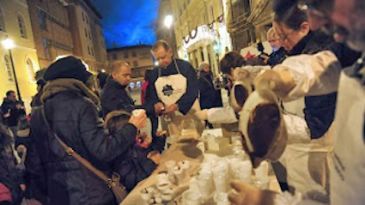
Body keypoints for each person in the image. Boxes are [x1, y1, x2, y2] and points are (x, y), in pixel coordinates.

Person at [228, 0, 365, 204]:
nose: (315, 23)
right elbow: (329, 62)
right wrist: (284, 76)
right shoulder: (354, 49)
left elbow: (315, 125)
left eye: (321, 4)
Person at [25, 56, 147, 205]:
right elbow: (103, 150)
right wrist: (132, 127)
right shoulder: (83, 106)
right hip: (91, 193)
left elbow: (33, 163)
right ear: (78, 81)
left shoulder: (38, 113)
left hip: (58, 195)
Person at [145, 40, 200, 140]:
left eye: (163, 57)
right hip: (169, 119)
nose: (161, 61)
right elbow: (152, 95)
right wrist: (157, 104)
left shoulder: (185, 67)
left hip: (189, 114)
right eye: (158, 59)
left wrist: (178, 105)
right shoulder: (154, 74)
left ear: (170, 52)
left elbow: (193, 91)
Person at [198, 62, 223, 128]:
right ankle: (208, 125)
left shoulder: (209, 75)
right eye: (206, 67)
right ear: (203, 68)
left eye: (208, 67)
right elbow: (202, 88)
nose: (208, 69)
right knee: (207, 113)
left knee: (210, 113)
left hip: (210, 98)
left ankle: (209, 124)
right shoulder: (201, 77)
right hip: (206, 98)